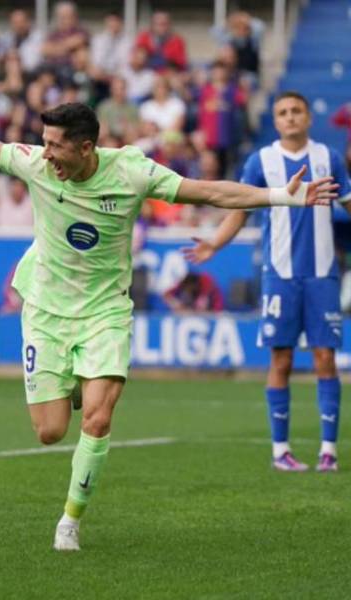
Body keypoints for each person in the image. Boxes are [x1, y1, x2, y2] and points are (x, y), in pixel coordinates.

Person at [0, 68, 338, 552]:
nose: (46, 153)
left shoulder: (131, 172)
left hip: (106, 310)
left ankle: (69, 520)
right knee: (49, 432)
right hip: (46, 308)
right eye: (43, 142)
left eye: (55, 145)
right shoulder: (35, 165)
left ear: (86, 148)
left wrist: (279, 197)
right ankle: (76, 382)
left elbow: (209, 191)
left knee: (98, 421)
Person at [184, 91, 351, 473]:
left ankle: (328, 450)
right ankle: (281, 452)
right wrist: (214, 243)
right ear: (275, 122)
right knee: (281, 357)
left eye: (296, 111)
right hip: (279, 275)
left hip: (323, 274)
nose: (290, 117)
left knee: (325, 357)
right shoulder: (261, 161)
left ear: (308, 118)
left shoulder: (330, 159)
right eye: (283, 113)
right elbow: (240, 211)